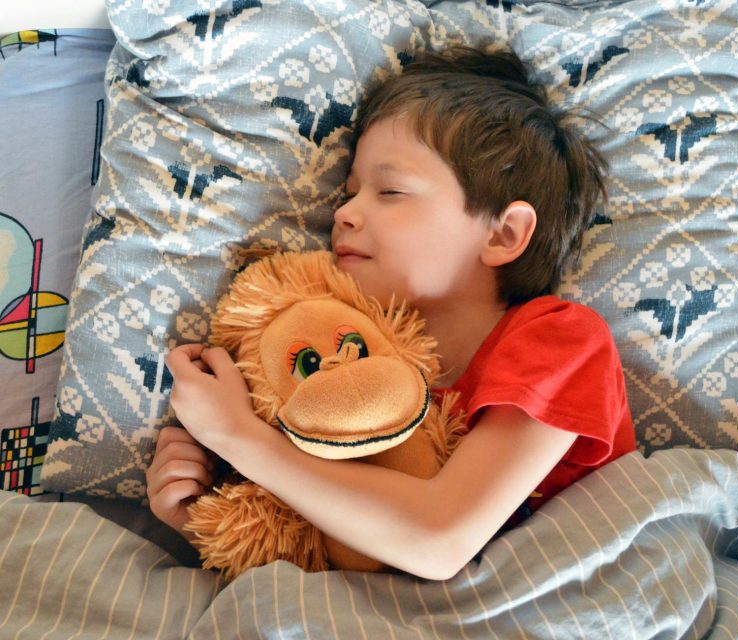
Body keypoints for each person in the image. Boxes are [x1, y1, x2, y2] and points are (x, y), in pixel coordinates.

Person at [146, 46, 637, 581]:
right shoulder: (333, 360)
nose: (345, 213)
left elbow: (438, 538)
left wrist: (237, 436)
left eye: (391, 191)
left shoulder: (560, 340)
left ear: (502, 233)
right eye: (350, 192)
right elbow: (339, 552)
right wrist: (203, 516)